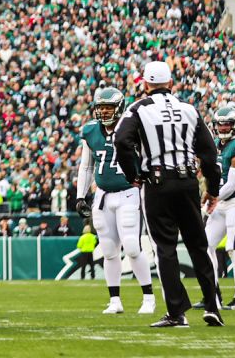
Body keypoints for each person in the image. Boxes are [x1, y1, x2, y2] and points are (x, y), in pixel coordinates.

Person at [113, 60, 223, 329]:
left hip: (158, 183)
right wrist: (213, 188)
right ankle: (213, 306)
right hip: (187, 182)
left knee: (165, 248)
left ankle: (177, 312)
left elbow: (121, 140)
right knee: (198, 246)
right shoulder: (189, 109)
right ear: (171, 83)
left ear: (146, 84)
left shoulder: (137, 109)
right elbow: (209, 152)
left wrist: (134, 174)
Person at [75, 86, 155, 315]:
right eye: (101, 107)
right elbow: (86, 165)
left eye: (108, 107)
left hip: (129, 192)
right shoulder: (91, 131)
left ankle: (148, 298)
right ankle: (115, 301)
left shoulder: (133, 129)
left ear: (119, 107)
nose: (104, 111)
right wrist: (81, 195)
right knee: (109, 250)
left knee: (131, 246)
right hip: (102, 195)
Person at [203, 104, 235, 311]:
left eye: (227, 125)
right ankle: (212, 293)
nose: (223, 128)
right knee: (205, 246)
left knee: (234, 249)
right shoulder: (215, 144)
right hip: (220, 202)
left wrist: (212, 197)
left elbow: (233, 184)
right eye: (220, 125)